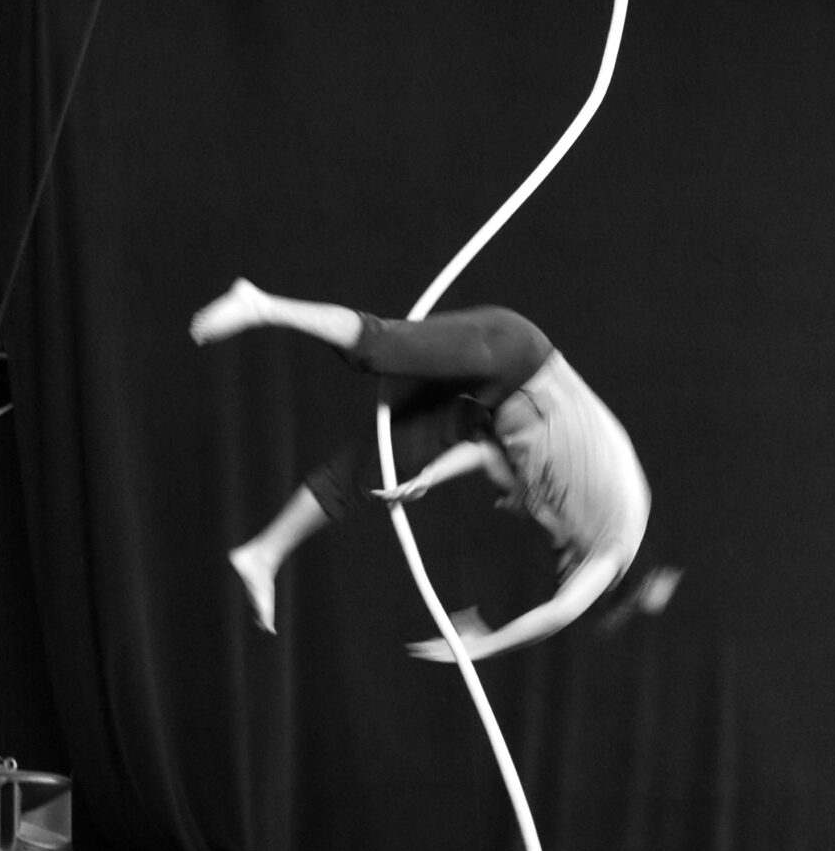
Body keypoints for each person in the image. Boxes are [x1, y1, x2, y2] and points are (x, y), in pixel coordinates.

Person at [189, 278, 653, 659]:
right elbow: (559, 612)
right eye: (568, 570)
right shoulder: (615, 543)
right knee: (380, 347)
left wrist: (430, 476)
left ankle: (263, 553)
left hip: (484, 410)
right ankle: (261, 304)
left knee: (373, 469)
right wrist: (483, 646)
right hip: (516, 356)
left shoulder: (570, 512)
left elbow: (488, 455)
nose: (562, 563)